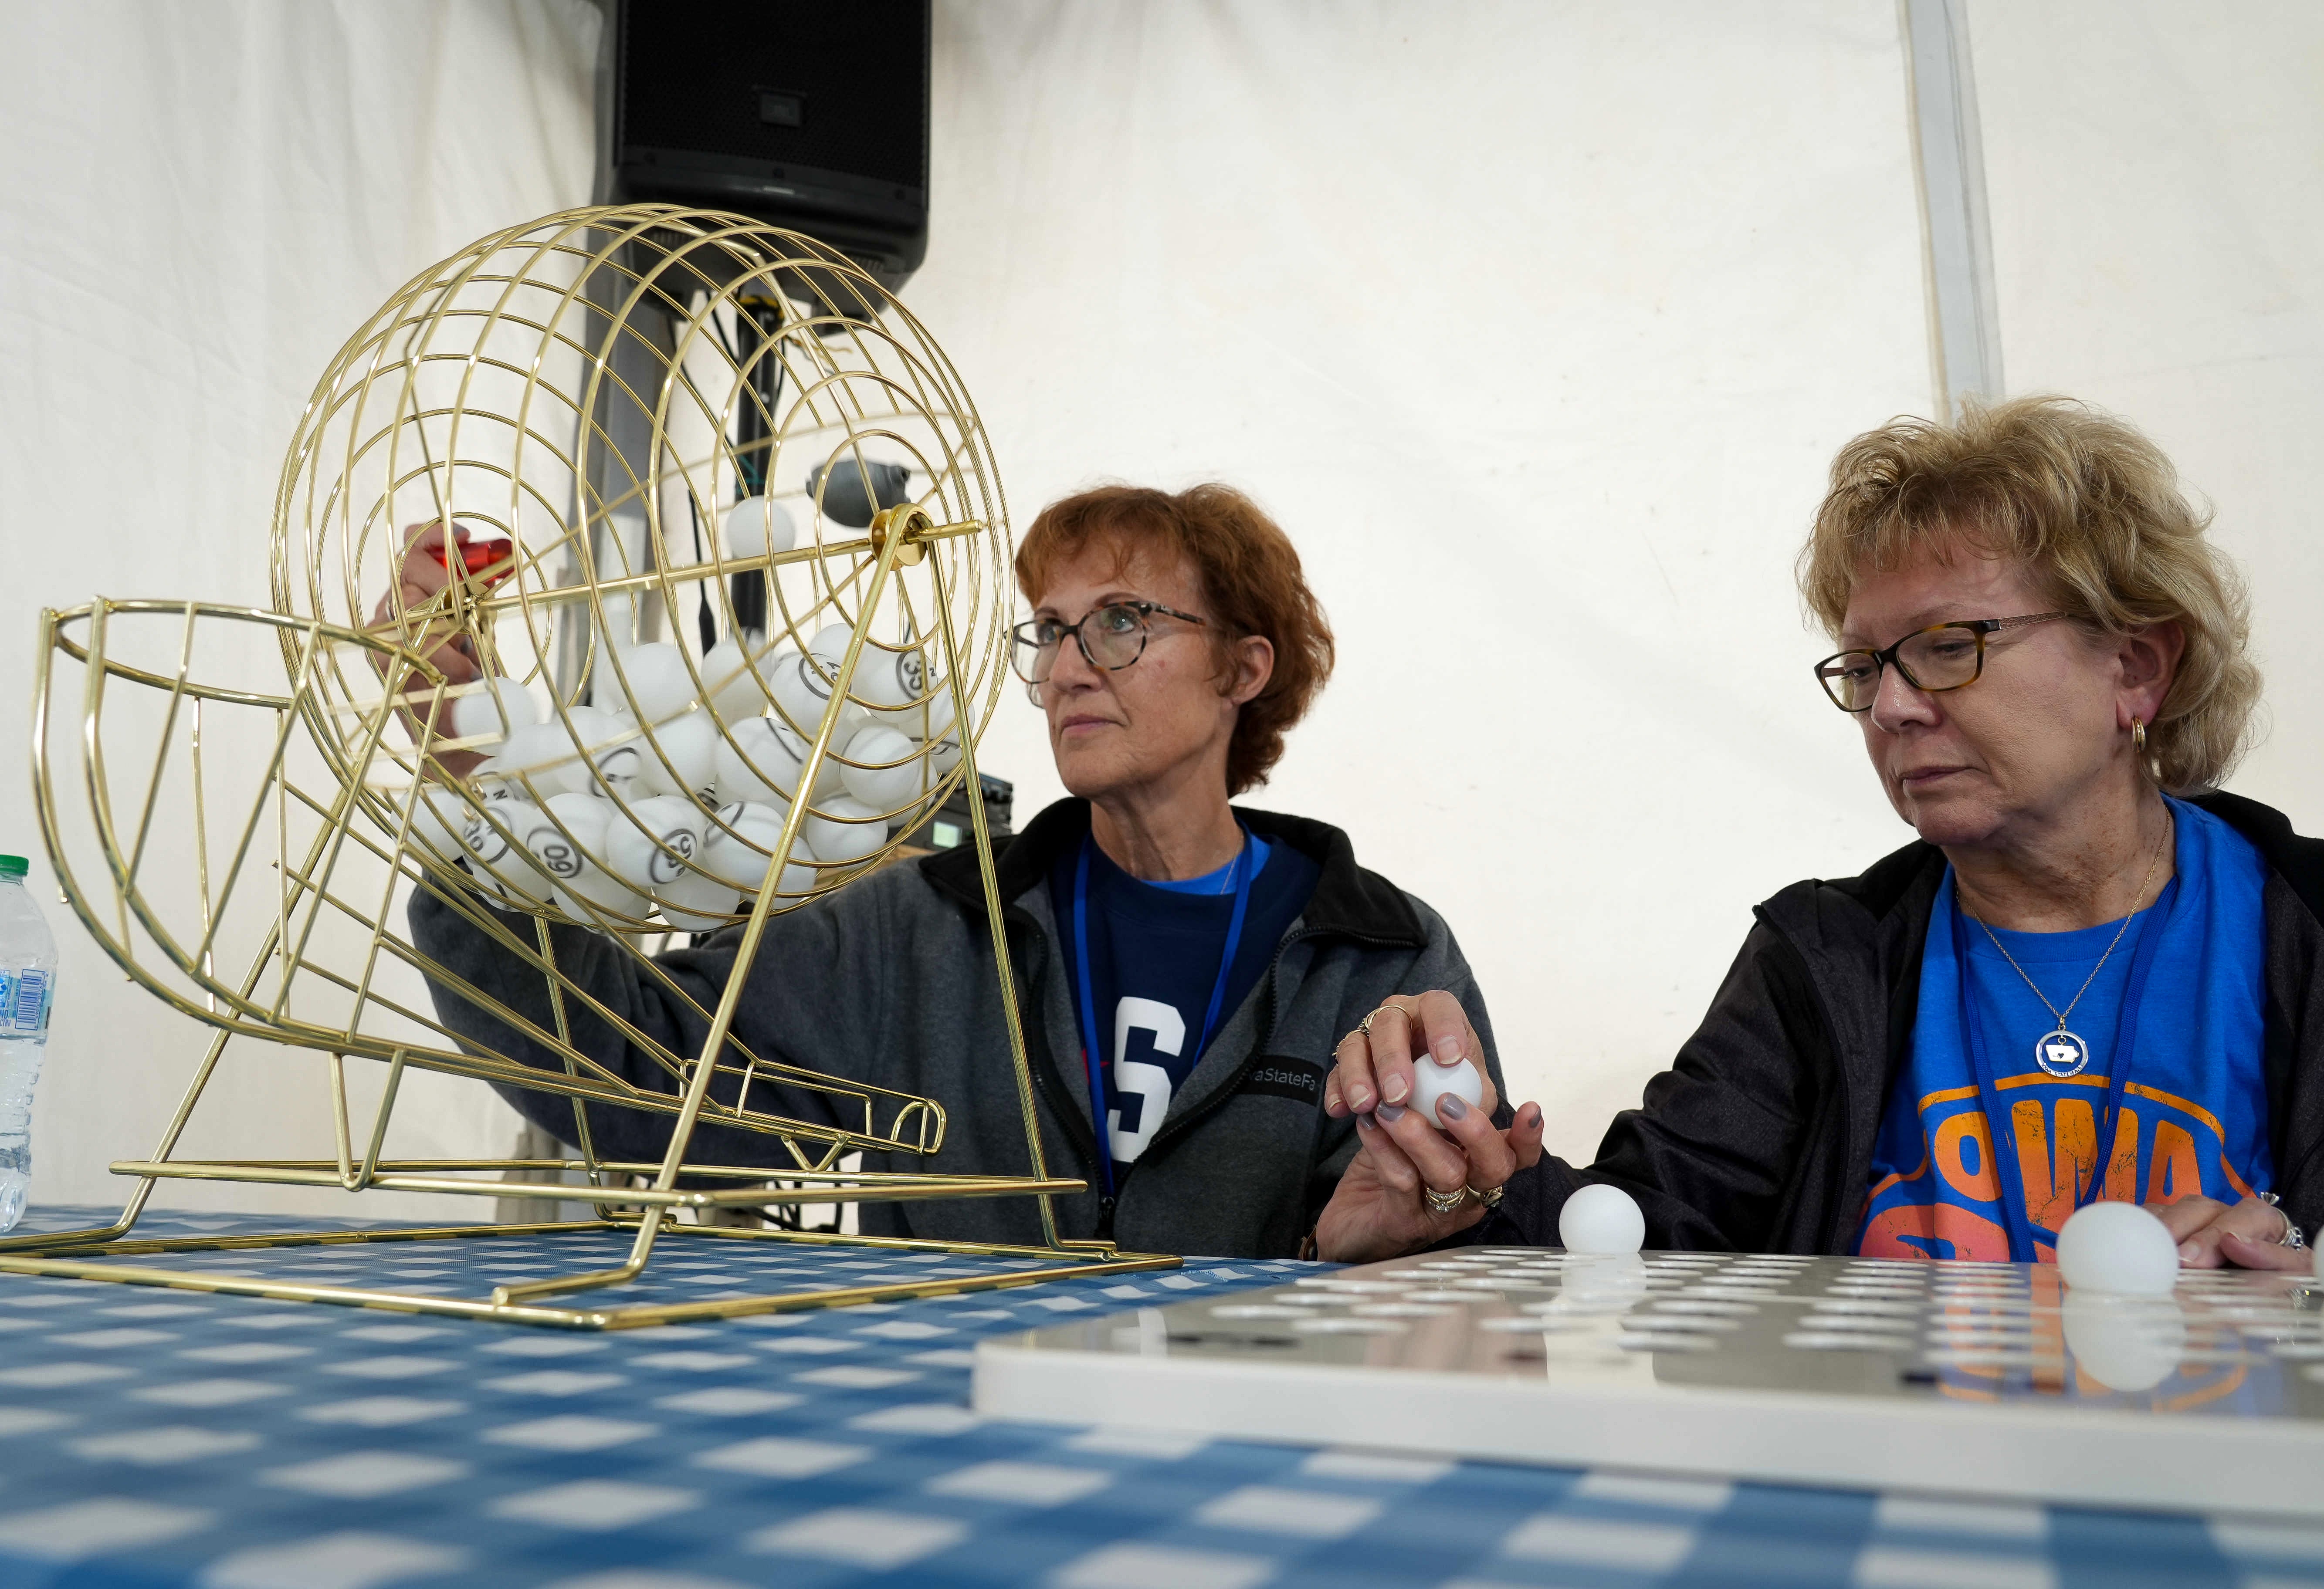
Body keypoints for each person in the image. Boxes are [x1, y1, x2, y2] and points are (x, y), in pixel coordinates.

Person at [1317, 397, 2324, 1271]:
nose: (1890, 707)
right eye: (1864, 667)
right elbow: (1643, 1241)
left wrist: (2298, 1260)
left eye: (1946, 646)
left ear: (2136, 667)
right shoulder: (1823, 956)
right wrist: (1454, 1194)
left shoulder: (2304, 926)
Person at [398, 483, 1504, 1259]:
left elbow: (1456, 1245)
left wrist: (1360, 1243)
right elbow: (635, 1081)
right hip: (948, 1452)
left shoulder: (1381, 958)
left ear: (1243, 667)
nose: (1069, 664)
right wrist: (474, 793)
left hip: (1241, 1466)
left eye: (1122, 623)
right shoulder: (917, 923)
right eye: (1050, 629)